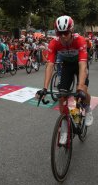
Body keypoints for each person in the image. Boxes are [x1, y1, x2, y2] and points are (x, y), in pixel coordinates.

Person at [36, 15, 92, 145]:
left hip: (79, 64)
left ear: (71, 31)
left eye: (66, 32)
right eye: (59, 33)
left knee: (82, 91)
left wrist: (79, 88)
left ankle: (88, 109)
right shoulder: (54, 43)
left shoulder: (80, 40)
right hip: (67, 65)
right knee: (62, 96)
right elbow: (50, 65)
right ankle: (65, 129)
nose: (63, 36)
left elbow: (82, 65)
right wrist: (44, 88)